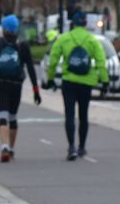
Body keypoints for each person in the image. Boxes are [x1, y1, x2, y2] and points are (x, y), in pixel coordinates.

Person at [46, 11, 109, 160]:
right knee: (83, 115)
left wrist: (50, 78)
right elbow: (101, 62)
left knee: (69, 115)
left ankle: (71, 147)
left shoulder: (64, 38)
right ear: (85, 23)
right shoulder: (92, 40)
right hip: (87, 82)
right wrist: (105, 81)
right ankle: (82, 147)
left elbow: (53, 59)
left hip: (69, 81)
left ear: (73, 23)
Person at [0, 15, 41, 162]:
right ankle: (11, 149)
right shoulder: (23, 45)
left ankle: (4, 146)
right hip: (16, 85)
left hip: (1, 84)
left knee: (2, 115)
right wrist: (35, 90)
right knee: (13, 117)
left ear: (4, 28)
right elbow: (31, 68)